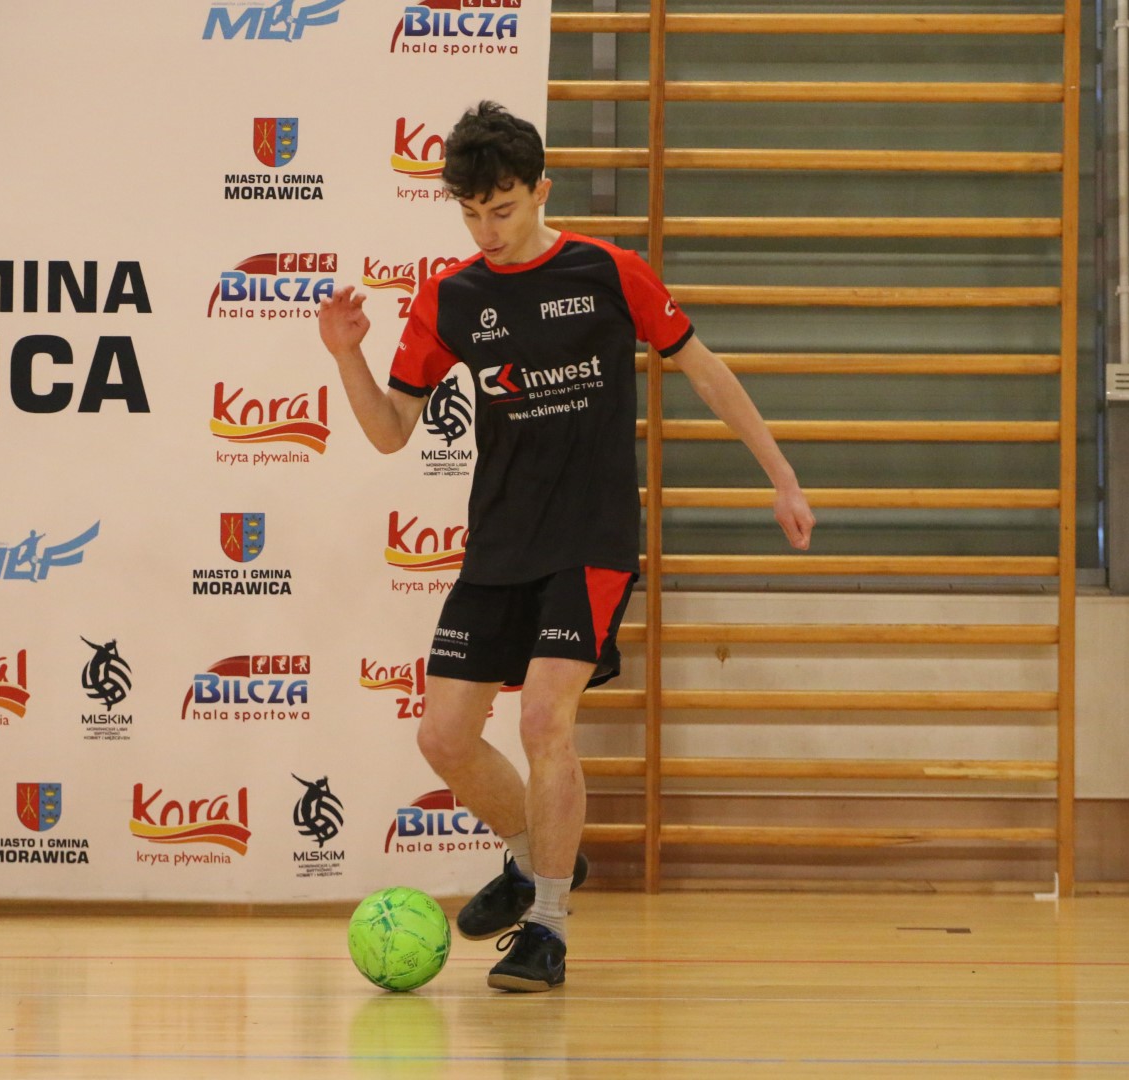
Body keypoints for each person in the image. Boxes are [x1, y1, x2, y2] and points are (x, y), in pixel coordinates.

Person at [317, 101, 813, 992]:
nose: (487, 230)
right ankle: (534, 857)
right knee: (444, 737)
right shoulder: (451, 298)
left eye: (502, 209)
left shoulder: (609, 272)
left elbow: (705, 370)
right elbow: (392, 431)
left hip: (590, 539)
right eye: (471, 213)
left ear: (542, 190)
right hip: (499, 544)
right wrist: (344, 354)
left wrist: (781, 475)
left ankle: (546, 923)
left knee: (545, 719)